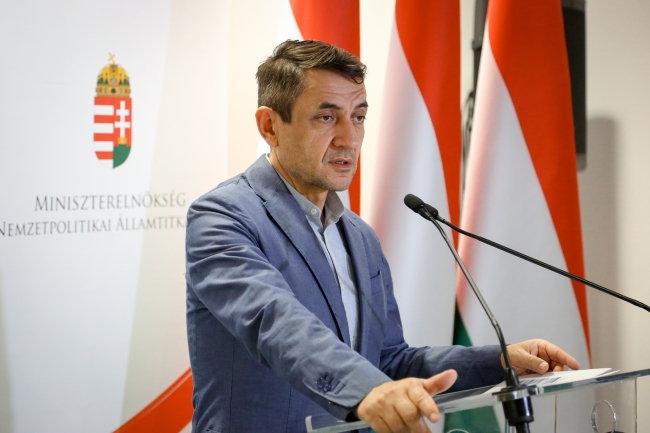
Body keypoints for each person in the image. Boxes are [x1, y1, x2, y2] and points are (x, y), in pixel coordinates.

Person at [185, 40, 580, 433]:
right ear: (270, 126)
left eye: (358, 117)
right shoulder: (223, 217)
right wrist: (368, 390)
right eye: (326, 117)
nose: (349, 138)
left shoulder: (359, 237)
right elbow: (276, 325)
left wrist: (499, 363)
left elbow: (389, 361)